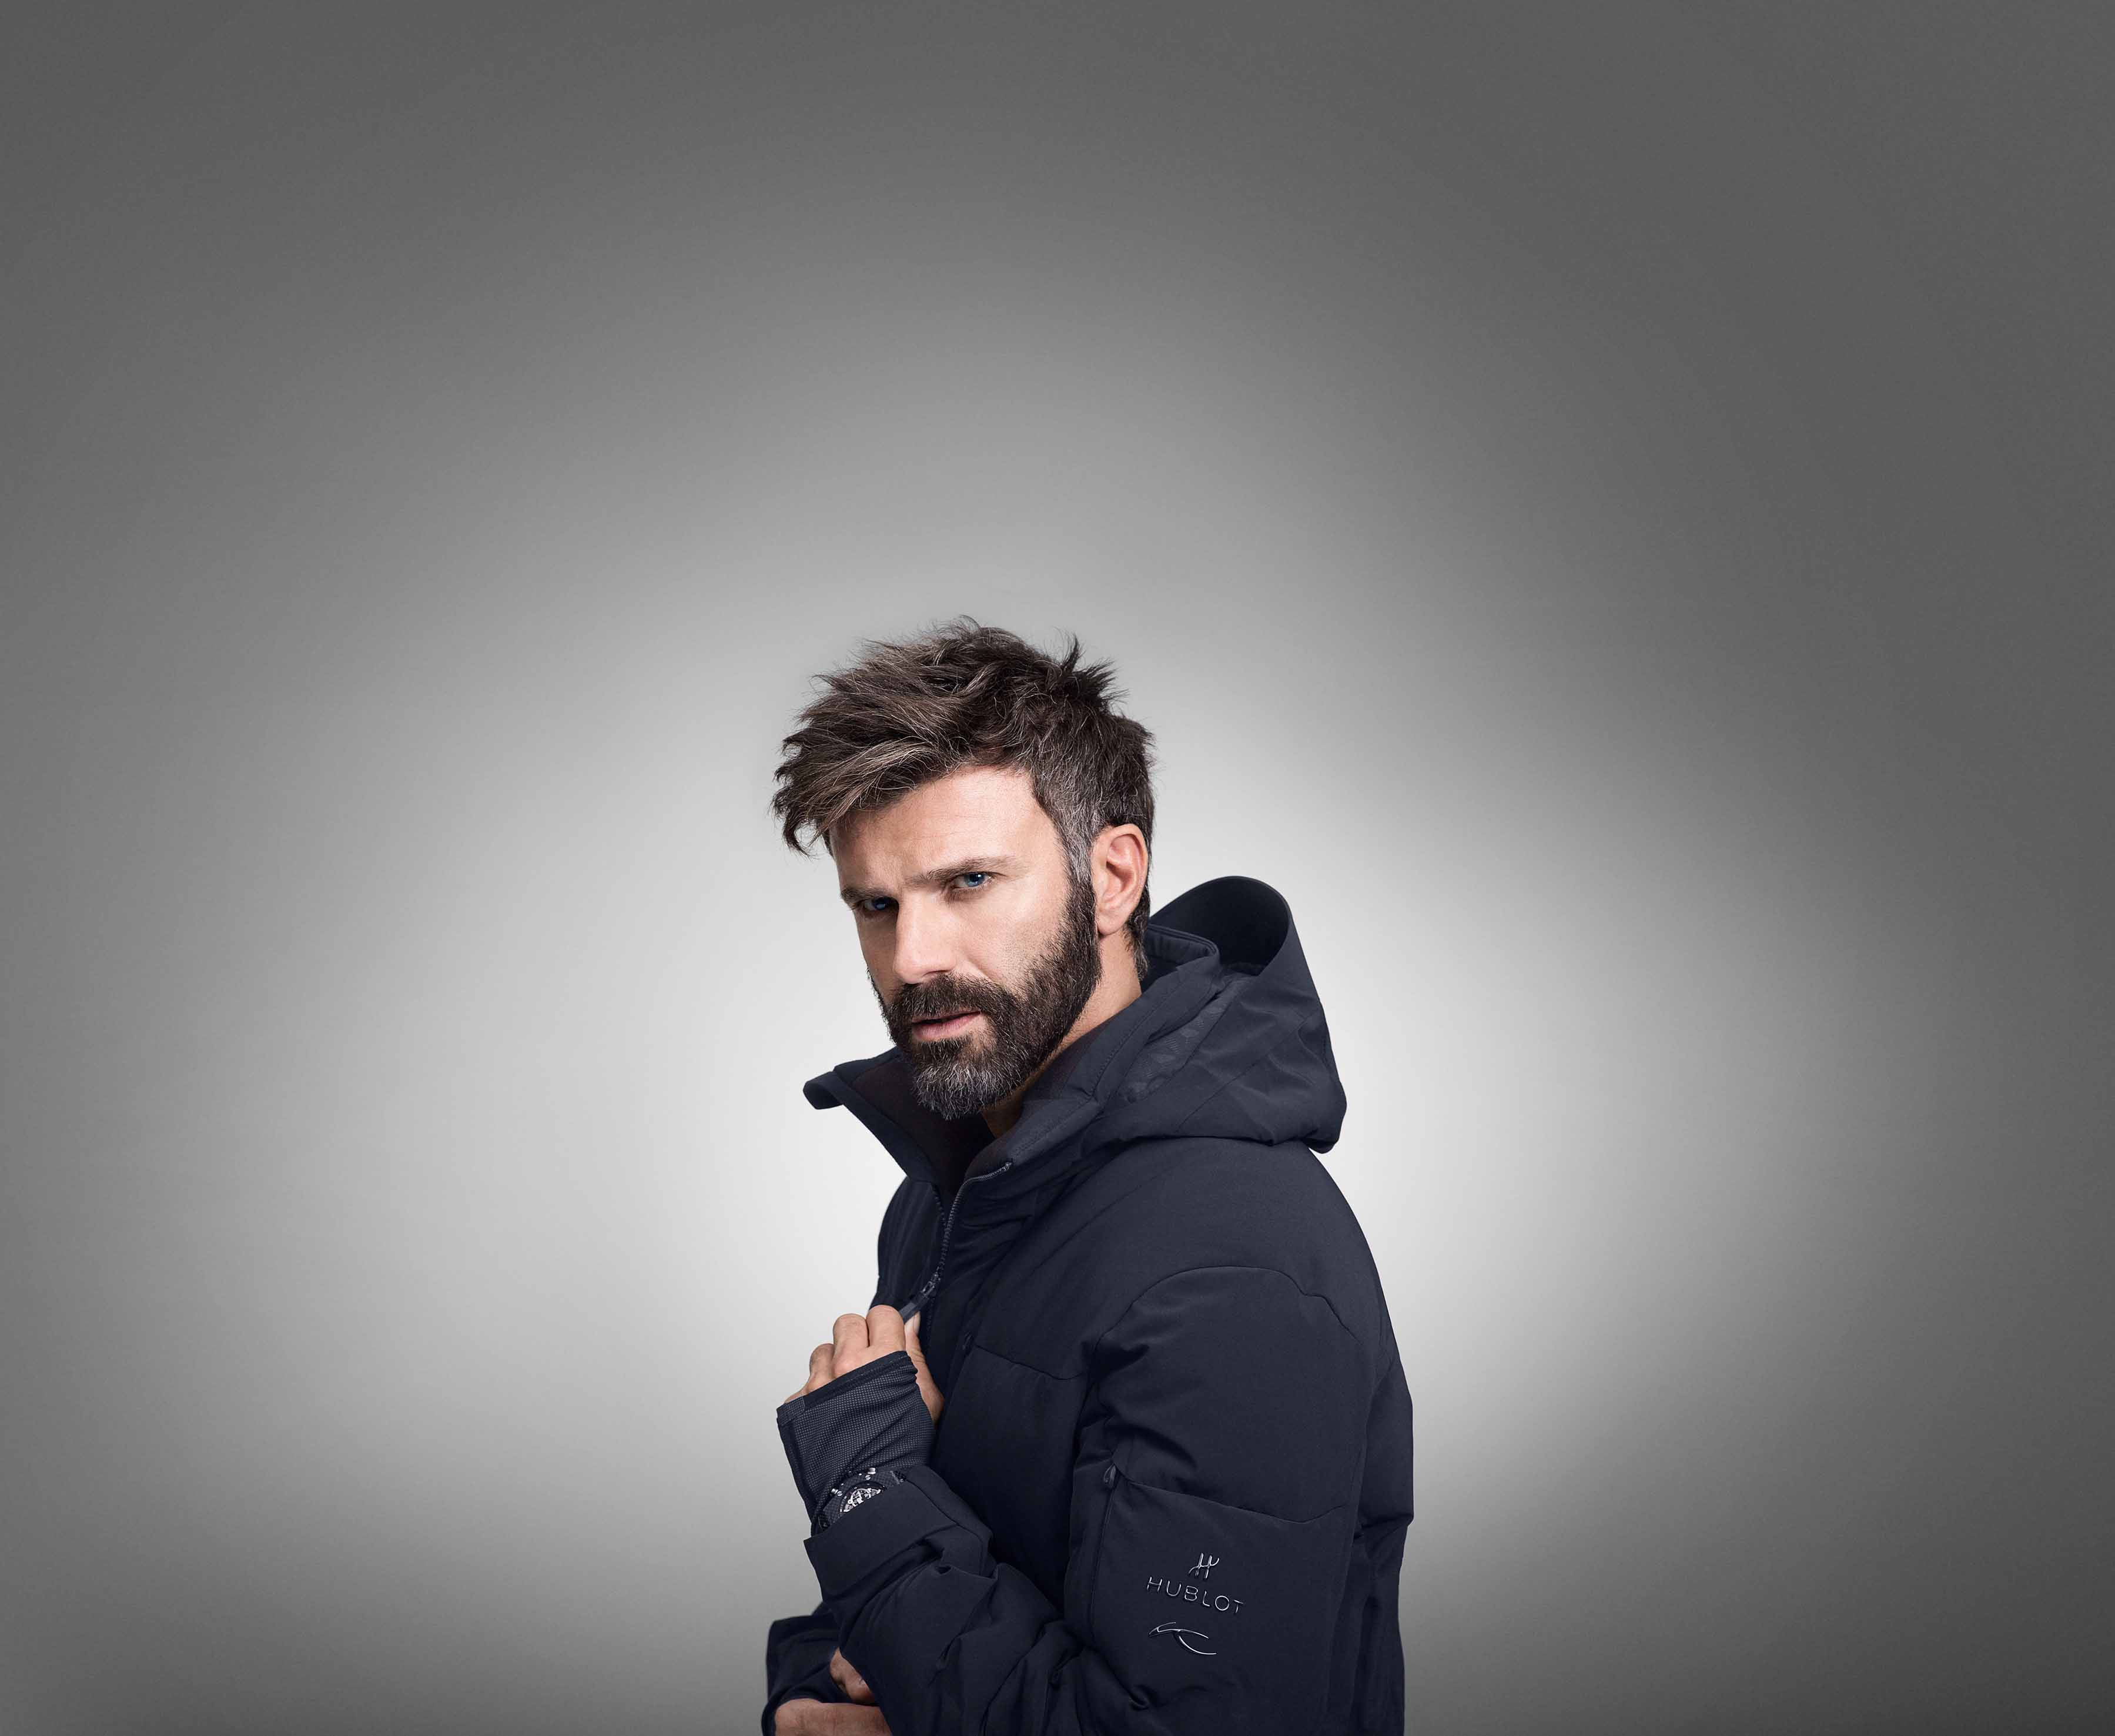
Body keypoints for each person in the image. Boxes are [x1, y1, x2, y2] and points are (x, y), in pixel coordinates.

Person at [759, 617, 1415, 1734]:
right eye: (877, 904)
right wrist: (804, 1702)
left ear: (1111, 877)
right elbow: (915, 1591)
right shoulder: (957, 1187)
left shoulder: (1235, 1269)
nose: (912, 957)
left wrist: (862, 1481)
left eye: (969, 881)